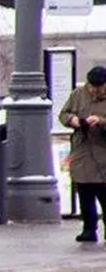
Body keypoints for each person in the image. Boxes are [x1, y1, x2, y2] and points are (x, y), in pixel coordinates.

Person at [58, 64, 106, 242]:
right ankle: (89, 229)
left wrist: (100, 121)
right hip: (82, 151)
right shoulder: (78, 94)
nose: (94, 90)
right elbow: (64, 114)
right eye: (92, 86)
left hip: (102, 152)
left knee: (103, 192)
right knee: (85, 192)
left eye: (99, 86)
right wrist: (74, 120)